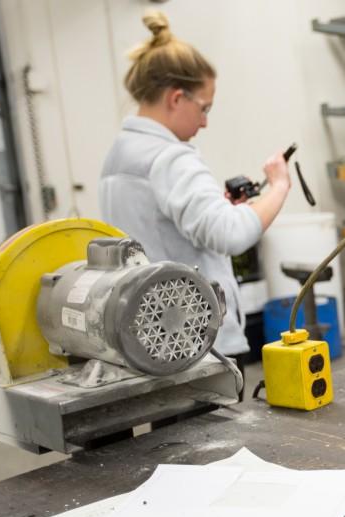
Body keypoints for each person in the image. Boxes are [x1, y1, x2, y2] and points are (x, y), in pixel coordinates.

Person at [100, 11, 291, 361]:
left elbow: (155, 229)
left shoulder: (118, 156)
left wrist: (216, 207)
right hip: (198, 340)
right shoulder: (171, 158)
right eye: (204, 108)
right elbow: (231, 235)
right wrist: (279, 186)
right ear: (176, 98)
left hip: (149, 336)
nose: (204, 122)